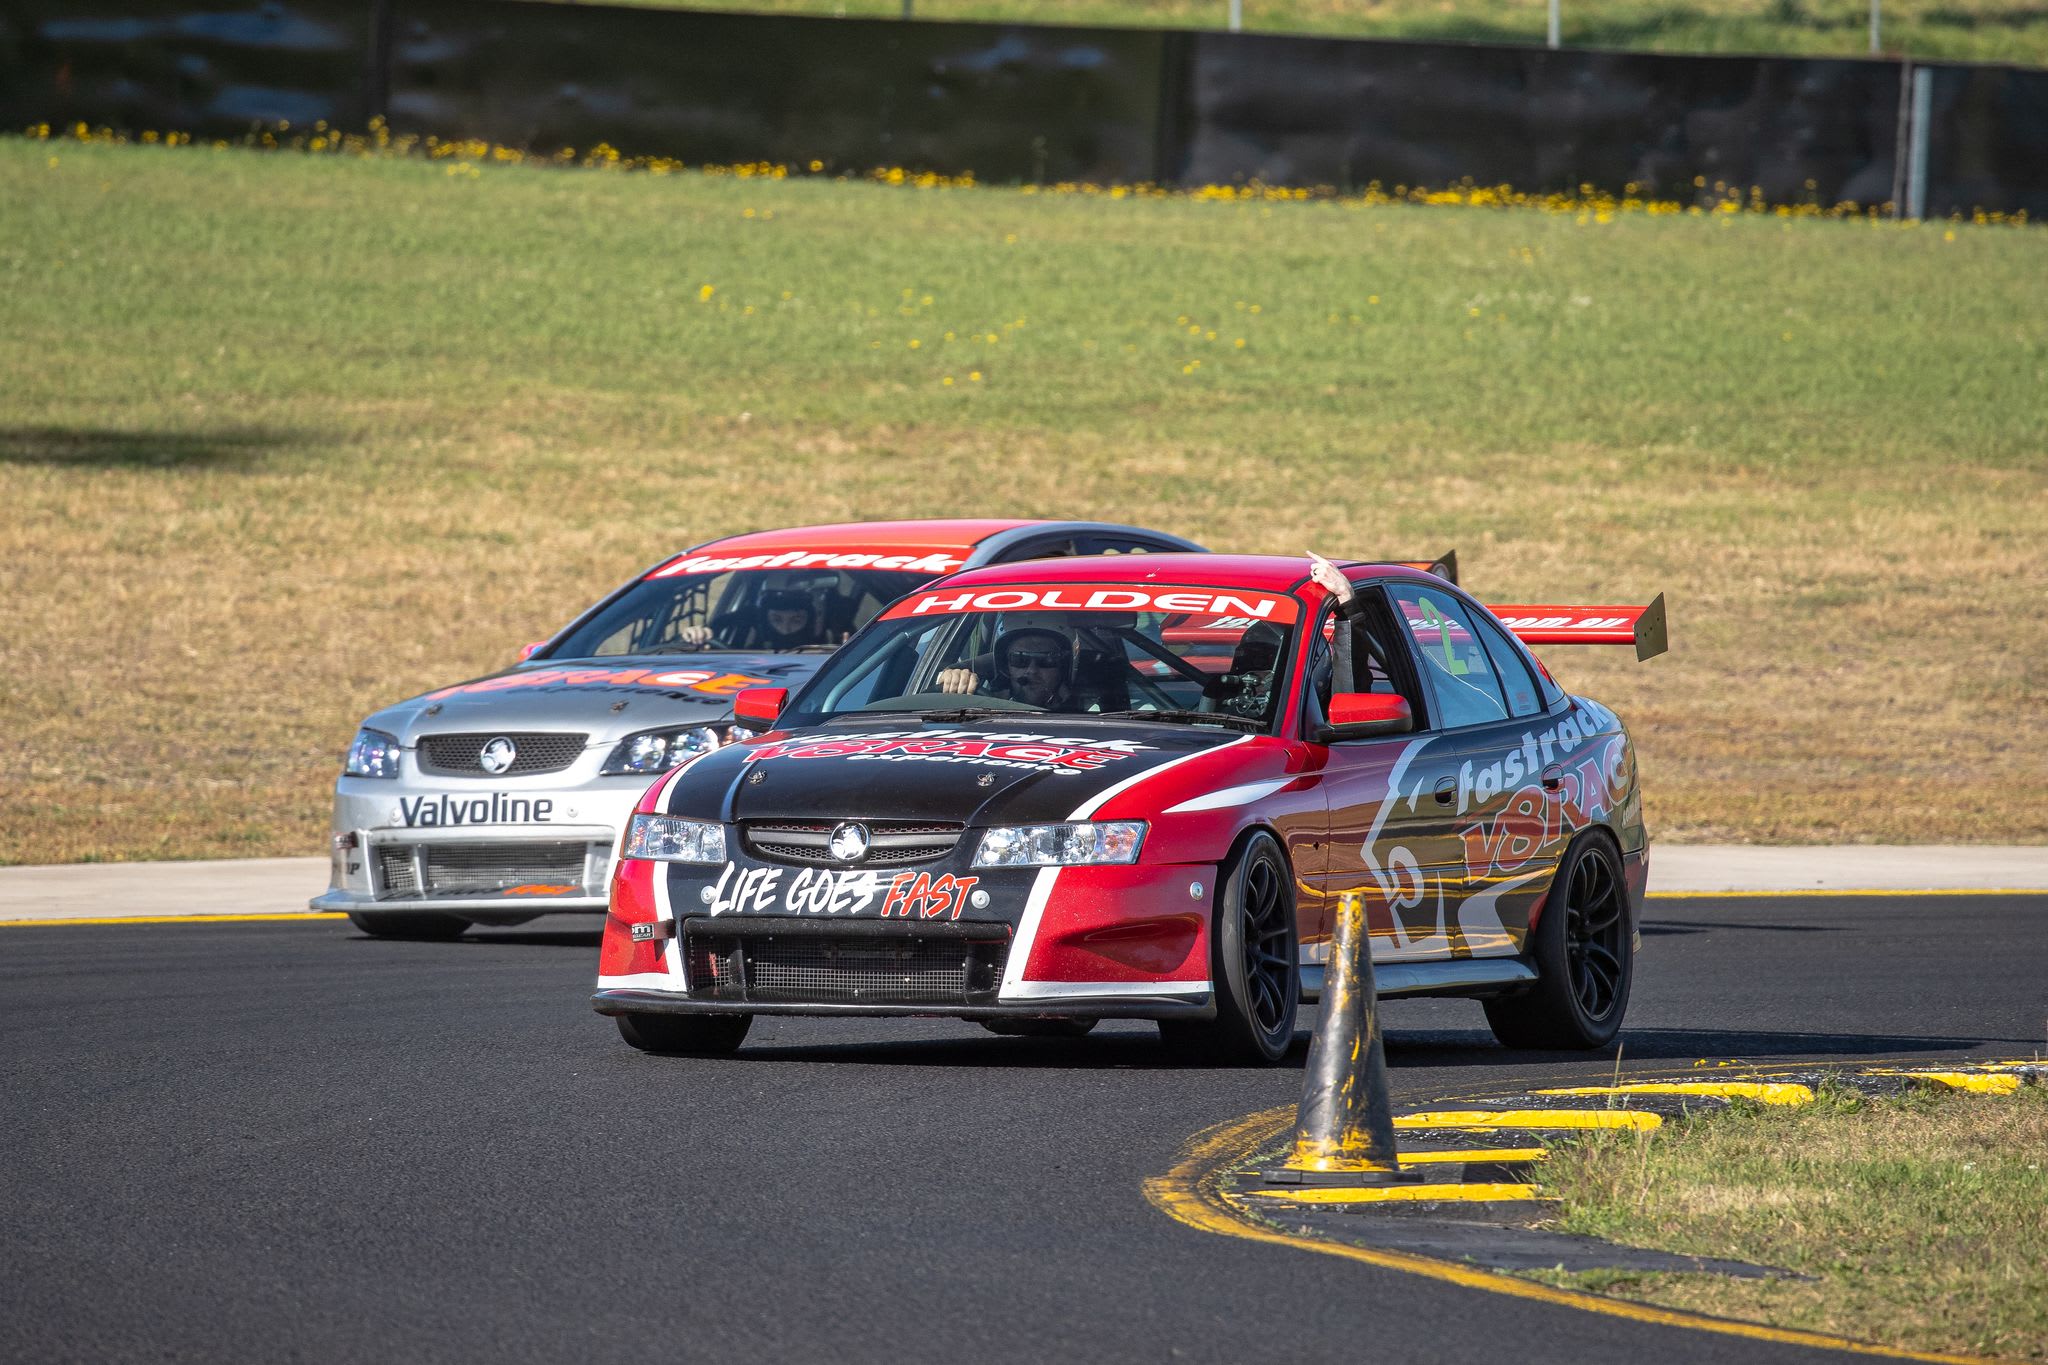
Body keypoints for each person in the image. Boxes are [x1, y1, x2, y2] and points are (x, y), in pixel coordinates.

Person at [936, 627, 1079, 710]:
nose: (1031, 670)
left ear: (1064, 666)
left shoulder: (1089, 716)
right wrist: (953, 677)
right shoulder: (980, 711)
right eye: (1019, 659)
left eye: (1046, 659)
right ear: (1005, 665)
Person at [679, 588, 828, 650]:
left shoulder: (834, 656)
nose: (785, 629)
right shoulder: (743, 651)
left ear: (812, 621)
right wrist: (697, 636)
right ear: (765, 620)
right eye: (777, 620)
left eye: (796, 620)